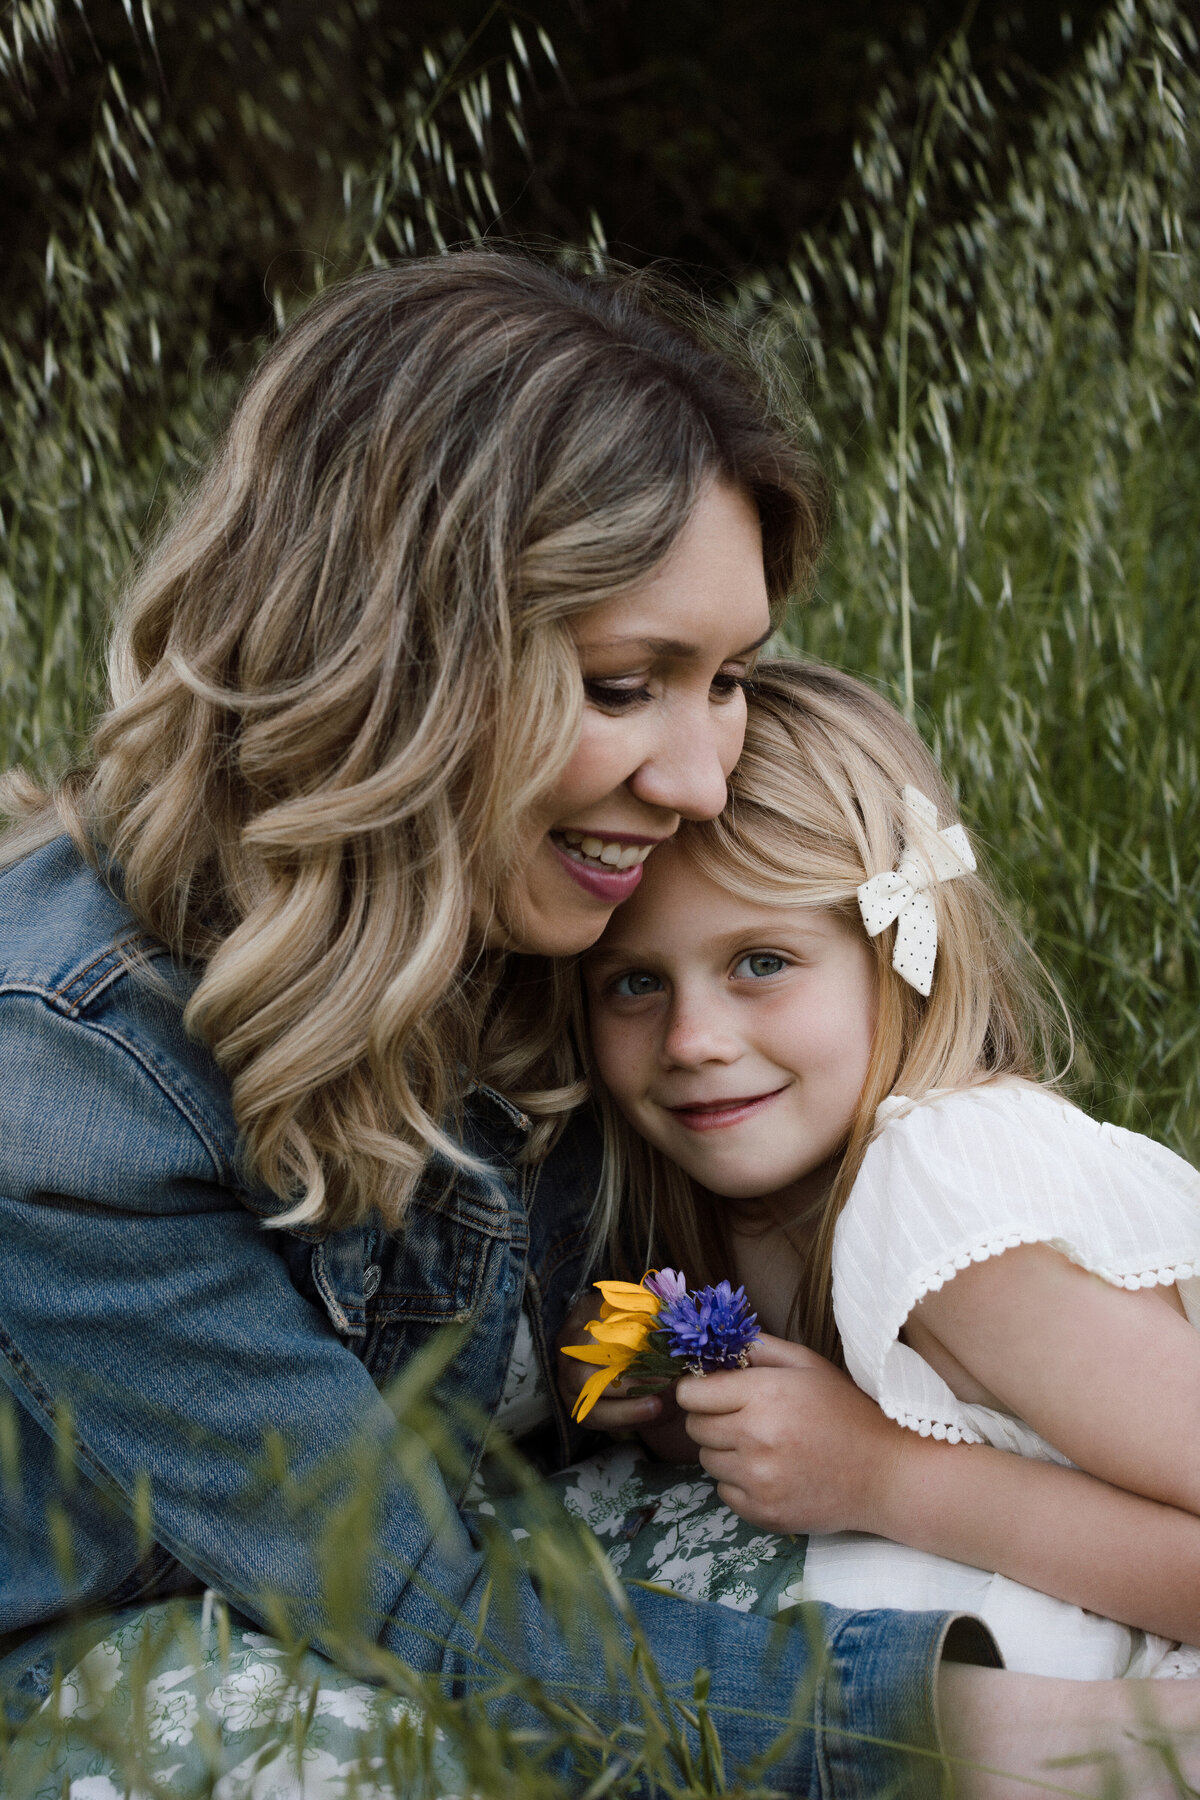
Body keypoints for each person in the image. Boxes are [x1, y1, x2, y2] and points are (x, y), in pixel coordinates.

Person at [0, 250, 1191, 1800]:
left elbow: (599, 1329)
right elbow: (429, 1613)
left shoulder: (557, 915)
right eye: (629, 684)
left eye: (731, 679)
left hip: (466, 1562)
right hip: (135, 1662)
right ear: (395, 661)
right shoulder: (73, 1079)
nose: (700, 781)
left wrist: (624, 1372)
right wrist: (1102, 1756)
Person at [557, 659, 1200, 1765]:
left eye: (761, 962)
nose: (691, 1039)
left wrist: (883, 1478)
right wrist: (660, 1390)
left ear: (903, 959)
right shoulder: (745, 1193)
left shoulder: (948, 1210)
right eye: (634, 983)